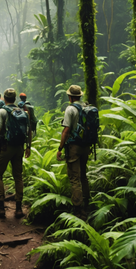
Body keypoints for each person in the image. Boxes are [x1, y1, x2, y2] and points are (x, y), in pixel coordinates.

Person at [0, 88, 31, 218]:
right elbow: (28, 131)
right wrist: (28, 146)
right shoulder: (23, 112)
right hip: (19, 147)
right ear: (15, 98)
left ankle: (1, 206)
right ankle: (18, 208)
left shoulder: (2, 111)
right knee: (18, 176)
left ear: (5, 98)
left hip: (6, 147)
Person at [57, 84, 90, 217]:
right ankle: (87, 203)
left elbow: (66, 130)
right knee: (83, 175)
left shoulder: (70, 109)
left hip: (74, 147)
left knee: (74, 178)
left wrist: (60, 148)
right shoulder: (86, 107)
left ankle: (78, 208)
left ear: (70, 97)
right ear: (80, 96)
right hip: (86, 146)